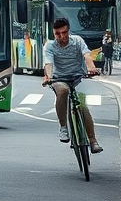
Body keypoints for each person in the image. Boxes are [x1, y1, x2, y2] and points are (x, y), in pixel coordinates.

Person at [42, 17, 103, 154]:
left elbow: (87, 55)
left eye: (64, 33)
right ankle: (63, 127)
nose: (61, 36)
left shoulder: (77, 41)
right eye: (57, 34)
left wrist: (91, 67)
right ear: (54, 33)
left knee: (83, 106)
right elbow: (48, 64)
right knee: (63, 91)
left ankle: (93, 141)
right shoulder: (50, 46)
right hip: (59, 78)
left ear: (68, 31)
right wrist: (49, 77)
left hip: (78, 77)